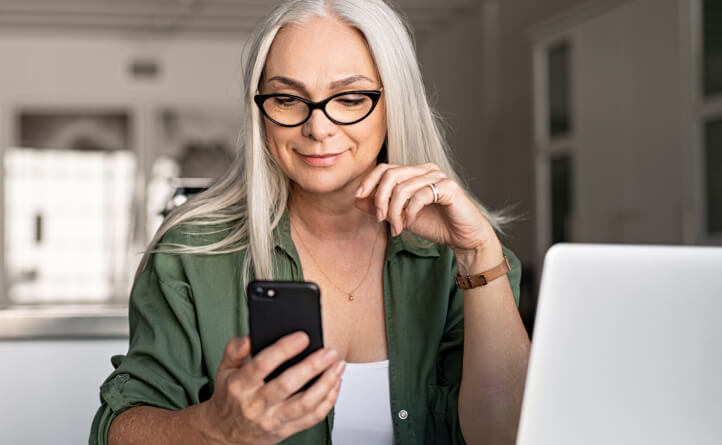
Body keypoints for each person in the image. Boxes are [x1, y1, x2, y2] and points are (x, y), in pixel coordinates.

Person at [90, 1, 530, 444]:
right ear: (260, 111)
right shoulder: (191, 254)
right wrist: (213, 427)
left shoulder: (465, 260)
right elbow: (115, 432)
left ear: (394, 103)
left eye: (351, 98)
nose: (318, 127)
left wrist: (478, 254)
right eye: (286, 99)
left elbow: (507, 434)